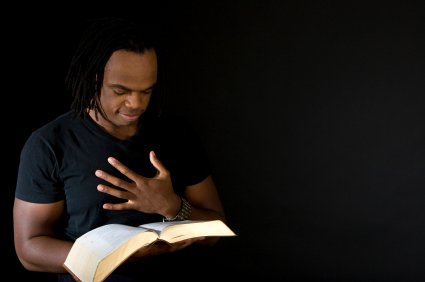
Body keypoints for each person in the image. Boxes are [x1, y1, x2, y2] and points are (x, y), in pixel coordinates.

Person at [13, 17, 226, 281]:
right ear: (92, 79)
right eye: (121, 90)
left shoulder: (176, 133)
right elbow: (29, 249)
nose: (136, 103)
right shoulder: (50, 144)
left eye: (146, 91)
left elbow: (216, 233)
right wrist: (113, 256)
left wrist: (172, 206)